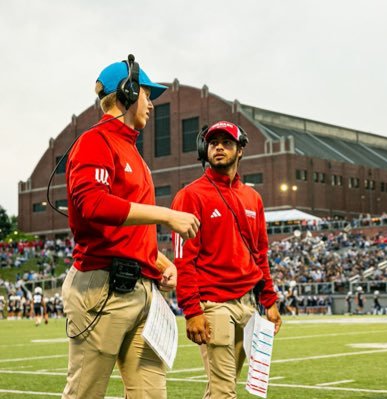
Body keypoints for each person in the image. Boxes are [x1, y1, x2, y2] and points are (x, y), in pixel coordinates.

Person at [61, 54, 200, 399]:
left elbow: (129, 231)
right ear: (128, 91)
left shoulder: (132, 151)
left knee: (152, 395)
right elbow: (92, 204)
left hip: (141, 289)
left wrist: (160, 262)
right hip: (102, 288)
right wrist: (166, 215)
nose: (151, 104)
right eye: (147, 94)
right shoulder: (95, 141)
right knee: (85, 393)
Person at [171, 121, 282, 399]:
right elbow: (184, 259)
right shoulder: (190, 195)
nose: (218, 147)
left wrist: (270, 300)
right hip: (214, 305)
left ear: (240, 150)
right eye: (213, 142)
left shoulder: (253, 197)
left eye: (227, 142)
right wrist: (192, 310)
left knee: (222, 387)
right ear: (204, 149)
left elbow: (260, 254)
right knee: (224, 392)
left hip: (248, 305)